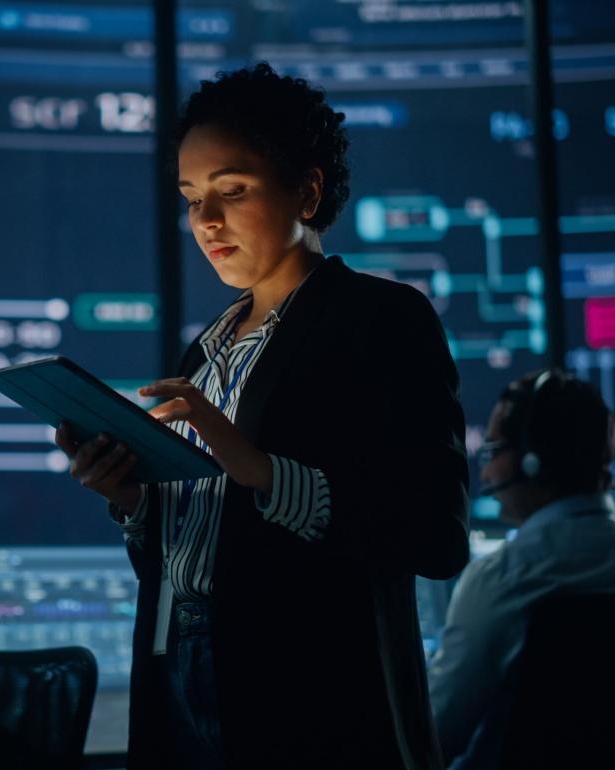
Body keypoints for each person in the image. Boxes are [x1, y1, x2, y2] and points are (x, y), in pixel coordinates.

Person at [54, 63, 469, 770]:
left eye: (232, 191)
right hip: (179, 667)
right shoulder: (206, 350)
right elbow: (199, 551)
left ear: (306, 191)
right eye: (191, 200)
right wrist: (131, 500)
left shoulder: (382, 320)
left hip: (310, 693)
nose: (206, 222)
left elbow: (436, 535)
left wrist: (256, 467)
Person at [428, 369, 615, 769]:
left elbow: (432, 737)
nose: (485, 474)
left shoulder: (504, 580)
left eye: (494, 452)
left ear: (533, 462)